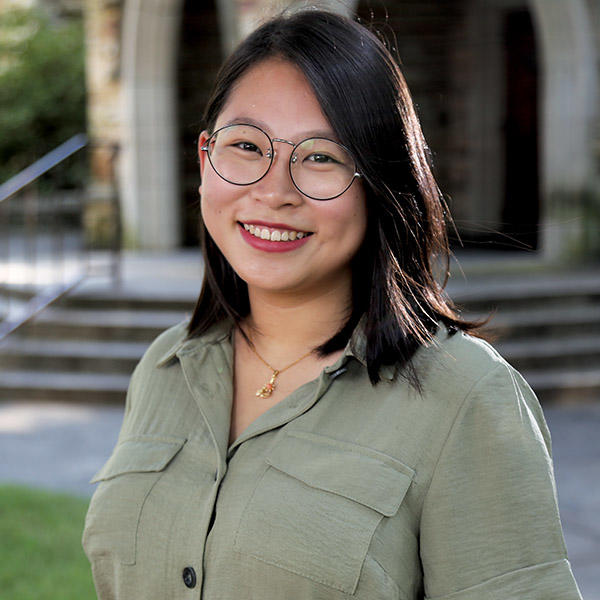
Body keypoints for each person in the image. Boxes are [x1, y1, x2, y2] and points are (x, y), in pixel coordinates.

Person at [82, 8, 583, 600]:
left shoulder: (467, 399)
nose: (273, 192)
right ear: (204, 158)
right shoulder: (165, 367)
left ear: (381, 182)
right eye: (246, 145)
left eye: (321, 156)